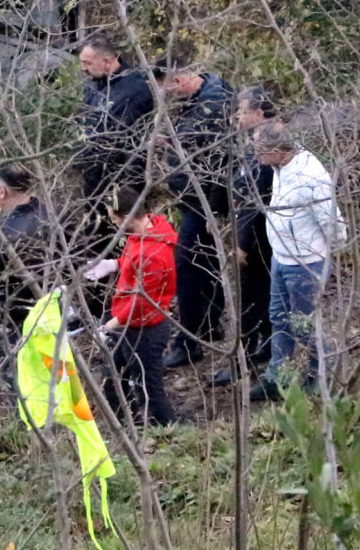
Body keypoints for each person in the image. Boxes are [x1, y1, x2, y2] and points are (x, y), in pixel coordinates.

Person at [254, 123, 346, 400]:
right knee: (279, 319)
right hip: (281, 258)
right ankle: (277, 378)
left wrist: (326, 253)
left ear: (277, 149)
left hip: (305, 265)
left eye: (260, 149)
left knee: (305, 325)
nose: (256, 154)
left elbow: (331, 220)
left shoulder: (309, 175)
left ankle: (320, 378)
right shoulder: (279, 167)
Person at [155, 60, 235, 368]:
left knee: (186, 268)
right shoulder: (197, 100)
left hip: (203, 202)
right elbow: (194, 143)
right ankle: (209, 324)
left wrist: (213, 210)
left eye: (167, 88)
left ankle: (187, 343)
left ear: (178, 80)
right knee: (206, 263)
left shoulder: (213, 104)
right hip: (194, 199)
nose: (167, 95)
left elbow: (220, 160)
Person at [217, 87, 281, 388]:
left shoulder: (270, 149)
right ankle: (262, 349)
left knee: (252, 301)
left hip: (259, 240)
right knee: (258, 298)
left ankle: (246, 360)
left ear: (259, 112)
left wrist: (242, 243)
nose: (237, 117)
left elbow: (258, 201)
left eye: (242, 111)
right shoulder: (251, 145)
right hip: (250, 233)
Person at [97, 196, 178, 428]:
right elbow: (133, 261)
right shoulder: (143, 232)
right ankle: (127, 427)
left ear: (126, 217)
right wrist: (115, 264)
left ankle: (166, 431)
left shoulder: (153, 254)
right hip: (127, 321)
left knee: (149, 389)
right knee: (112, 380)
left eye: (114, 218)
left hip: (144, 330)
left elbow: (143, 303)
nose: (112, 223)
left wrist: (110, 325)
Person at [0, 165, 55, 367]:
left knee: (18, 376)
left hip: (13, 320)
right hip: (52, 313)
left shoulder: (2, 231)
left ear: (1, 191)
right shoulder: (53, 215)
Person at [75, 34, 155, 212]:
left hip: (116, 178)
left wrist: (130, 188)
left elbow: (135, 143)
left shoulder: (134, 90)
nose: (83, 68)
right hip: (93, 174)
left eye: (88, 63)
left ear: (106, 61)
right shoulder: (94, 84)